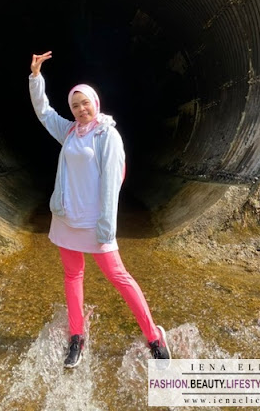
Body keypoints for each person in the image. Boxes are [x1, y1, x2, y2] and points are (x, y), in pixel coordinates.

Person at [29, 51, 171, 368]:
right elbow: (44, 112)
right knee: (72, 276)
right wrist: (36, 78)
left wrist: (106, 227)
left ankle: (153, 336)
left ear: (96, 103)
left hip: (95, 222)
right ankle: (77, 336)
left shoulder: (108, 135)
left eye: (85, 103)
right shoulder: (67, 131)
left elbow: (111, 183)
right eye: (75, 105)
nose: (80, 109)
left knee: (119, 277)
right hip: (67, 218)